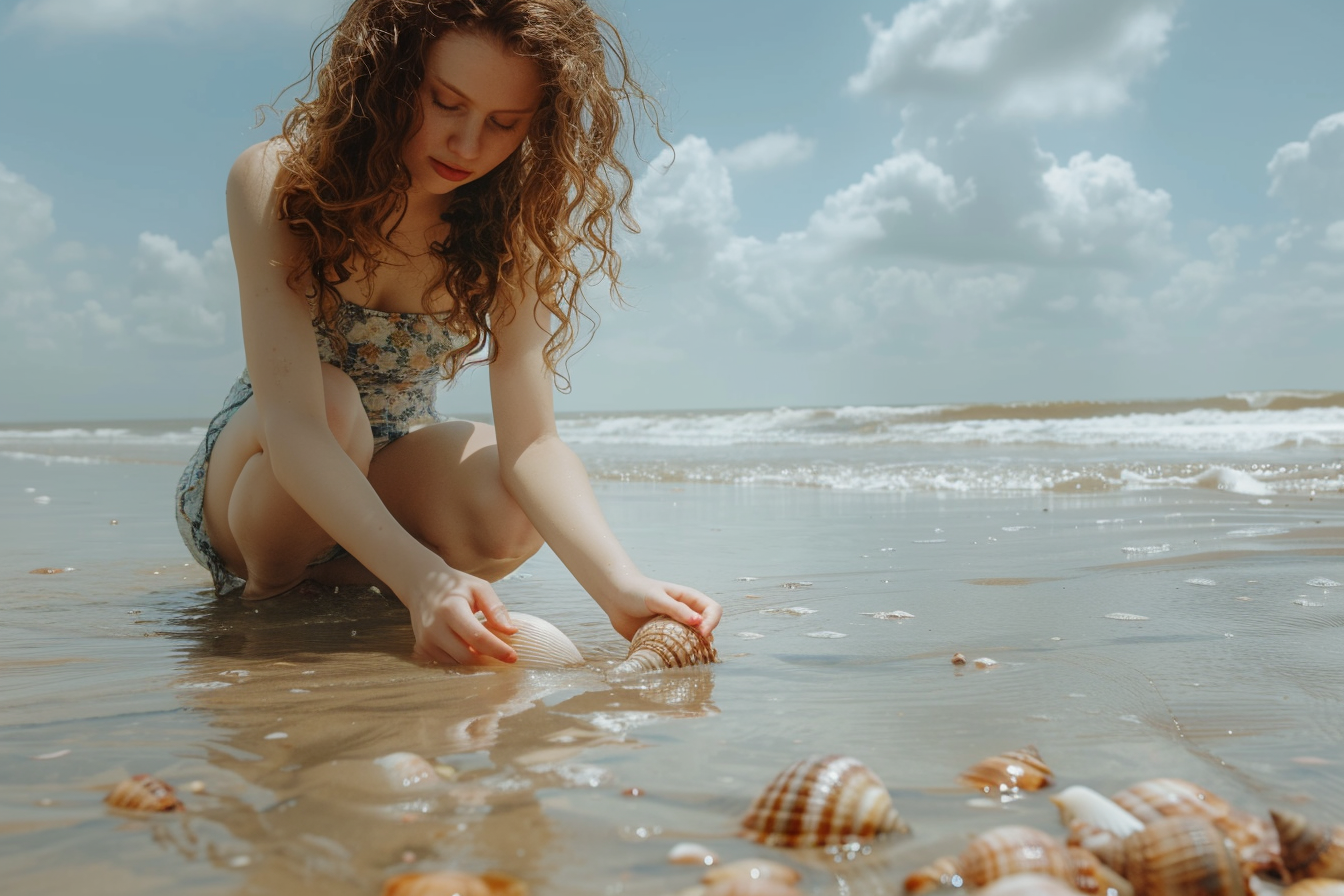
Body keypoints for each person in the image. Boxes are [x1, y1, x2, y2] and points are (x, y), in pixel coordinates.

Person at [174, 0, 722, 666]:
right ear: (390, 73)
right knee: (334, 404)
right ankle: (278, 592)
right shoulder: (282, 180)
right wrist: (423, 578)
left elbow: (535, 443)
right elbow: (295, 425)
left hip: (392, 467)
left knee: (505, 499)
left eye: (503, 123)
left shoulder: (513, 225)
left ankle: (359, 574)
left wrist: (618, 583)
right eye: (445, 103)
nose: (468, 146)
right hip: (258, 476)